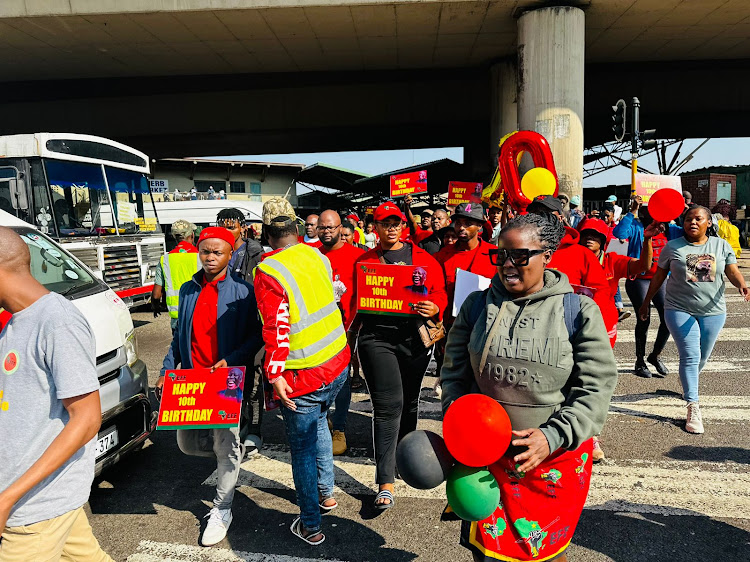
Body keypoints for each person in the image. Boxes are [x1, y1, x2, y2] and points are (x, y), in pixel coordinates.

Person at [441, 214, 617, 562]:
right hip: (485, 460)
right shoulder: (477, 305)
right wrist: (459, 421)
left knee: (546, 554)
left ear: (547, 256)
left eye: (520, 256)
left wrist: (551, 437)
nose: (507, 264)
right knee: (486, 551)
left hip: (550, 461)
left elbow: (595, 388)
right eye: (501, 255)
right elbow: (453, 373)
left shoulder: (577, 310)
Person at [0, 227, 115, 561]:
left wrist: (8, 499)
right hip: (36, 494)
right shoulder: (13, 324)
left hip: (32, 505)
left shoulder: (56, 321)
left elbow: (87, 419)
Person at [158, 227, 263, 547]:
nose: (210, 257)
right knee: (187, 444)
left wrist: (231, 359)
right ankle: (233, 451)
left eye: (218, 252)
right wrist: (166, 369)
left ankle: (223, 508)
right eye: (205, 251)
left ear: (231, 254)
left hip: (225, 383)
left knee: (224, 443)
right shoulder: (189, 289)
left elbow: (256, 336)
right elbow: (179, 337)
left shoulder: (243, 292)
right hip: (190, 383)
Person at [254, 198, 350, 545]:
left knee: (302, 450)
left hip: (302, 375)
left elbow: (276, 329)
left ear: (266, 233)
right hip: (337, 362)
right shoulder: (317, 256)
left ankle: (311, 523)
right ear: (297, 227)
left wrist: (274, 374)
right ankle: (327, 493)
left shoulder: (269, 271)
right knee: (320, 424)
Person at [352, 202, 447, 509]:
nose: (391, 227)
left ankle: (405, 458)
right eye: (384, 223)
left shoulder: (423, 258)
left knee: (410, 401)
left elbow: (439, 292)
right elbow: (352, 302)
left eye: (395, 222)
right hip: (376, 339)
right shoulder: (364, 261)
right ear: (374, 227)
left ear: (403, 226)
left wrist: (435, 307)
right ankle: (385, 480)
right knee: (388, 405)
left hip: (414, 339)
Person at [639, 206, 749, 434]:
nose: (693, 222)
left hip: (713, 310)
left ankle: (687, 381)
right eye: (689, 219)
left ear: (709, 222)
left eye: (699, 219)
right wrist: (646, 301)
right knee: (690, 355)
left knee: (702, 356)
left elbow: (731, 271)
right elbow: (659, 275)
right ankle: (693, 405)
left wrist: (742, 285)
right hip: (679, 309)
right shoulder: (673, 247)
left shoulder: (720, 245)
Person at [577, 217, 664, 461]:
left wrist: (646, 239)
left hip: (602, 332)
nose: (590, 238)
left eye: (596, 235)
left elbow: (645, 266)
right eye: (585, 234)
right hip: (570, 330)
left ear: (604, 241)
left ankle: (591, 435)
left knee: (593, 382)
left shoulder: (613, 262)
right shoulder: (569, 259)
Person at [612, 196, 679, 378]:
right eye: (645, 210)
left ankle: (655, 356)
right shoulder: (635, 227)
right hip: (639, 279)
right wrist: (632, 211)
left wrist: (681, 210)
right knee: (644, 318)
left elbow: (689, 234)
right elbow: (619, 234)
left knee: (668, 318)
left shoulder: (669, 229)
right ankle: (639, 361)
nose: (650, 213)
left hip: (661, 279)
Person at [217, 208, 266, 454]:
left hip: (253, 322)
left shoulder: (255, 253)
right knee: (231, 376)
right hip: (226, 324)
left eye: (232, 226)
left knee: (254, 378)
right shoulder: (215, 250)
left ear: (242, 227)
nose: (227, 231)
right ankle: (236, 423)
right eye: (222, 226)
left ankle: (255, 429)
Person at [317, 210, 365, 456]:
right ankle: (324, 421)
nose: (326, 231)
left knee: (343, 379)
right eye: (322, 227)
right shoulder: (312, 256)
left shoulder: (359, 256)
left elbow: (365, 293)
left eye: (331, 227)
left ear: (341, 229)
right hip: (317, 330)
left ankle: (341, 428)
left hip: (346, 328)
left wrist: (354, 327)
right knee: (321, 379)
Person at [526, 196, 611, 322]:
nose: (540, 219)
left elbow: (600, 295)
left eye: (547, 213)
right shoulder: (518, 253)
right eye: (535, 214)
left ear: (560, 218)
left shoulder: (582, 255)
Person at [434, 201, 497, 324]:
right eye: (458, 223)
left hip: (483, 324)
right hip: (450, 326)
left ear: (479, 226)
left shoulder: (494, 255)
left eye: (468, 224)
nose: (462, 228)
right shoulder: (441, 256)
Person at [152, 219, 198, 333]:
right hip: (198, 313)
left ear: (174, 237)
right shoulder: (201, 257)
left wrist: (155, 306)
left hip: (177, 317)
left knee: (179, 348)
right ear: (192, 235)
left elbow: (156, 294)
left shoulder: (165, 260)